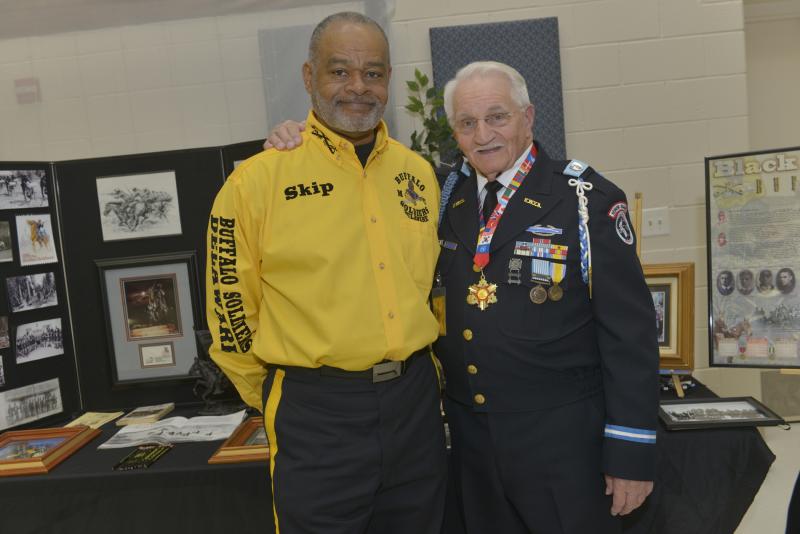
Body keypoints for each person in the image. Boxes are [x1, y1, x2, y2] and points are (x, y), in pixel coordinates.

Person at [266, 61, 659, 534]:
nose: (484, 135)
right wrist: (297, 141)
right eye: (467, 123)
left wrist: (631, 451)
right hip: (471, 445)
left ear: (529, 117)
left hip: (563, 444)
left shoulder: (584, 199)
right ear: (454, 132)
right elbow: (360, 187)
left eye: (498, 117)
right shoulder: (440, 193)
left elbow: (630, 335)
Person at [206, 12, 446, 534]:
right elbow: (230, 311)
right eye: (340, 71)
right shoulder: (257, 181)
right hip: (318, 413)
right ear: (309, 76)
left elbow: (429, 288)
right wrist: (274, 392)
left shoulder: (418, 174)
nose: (358, 87)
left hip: (416, 407)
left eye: (374, 72)